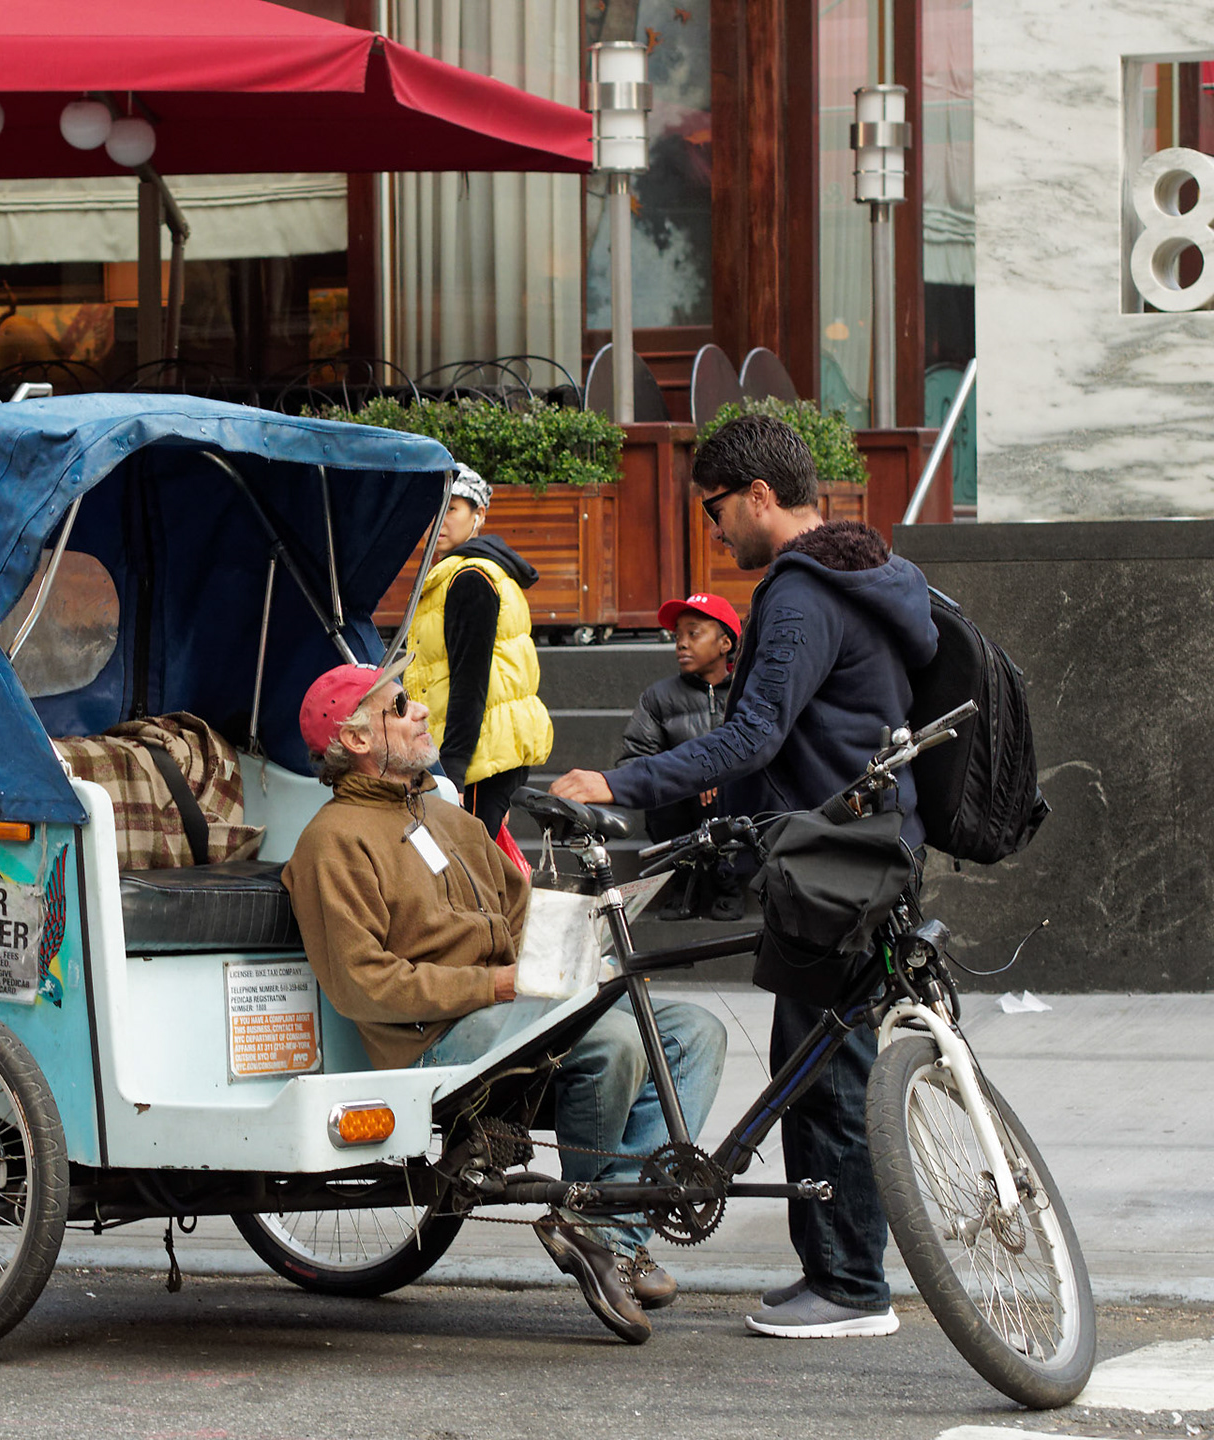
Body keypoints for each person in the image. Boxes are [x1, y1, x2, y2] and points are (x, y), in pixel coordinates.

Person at [550, 413, 938, 1339]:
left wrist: (618, 779)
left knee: (826, 1071)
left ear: (761, 497)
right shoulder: (873, 574)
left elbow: (756, 732)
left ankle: (848, 1285)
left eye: (719, 510)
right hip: (869, 845)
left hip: (834, 863)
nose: (716, 531)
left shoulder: (802, 593)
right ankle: (841, 1273)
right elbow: (817, 732)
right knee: (821, 1058)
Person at [281, 659, 725, 1345]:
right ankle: (590, 1212)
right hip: (437, 1034)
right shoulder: (329, 843)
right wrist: (492, 984)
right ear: (358, 740)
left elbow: (518, 911)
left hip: (517, 1005)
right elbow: (361, 982)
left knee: (694, 1029)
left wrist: (578, 949)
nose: (422, 710)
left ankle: (609, 1227)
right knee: (612, 1044)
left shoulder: (440, 813)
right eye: (400, 705)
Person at [404, 465, 553, 839]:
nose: (439, 521)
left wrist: (451, 772)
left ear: (479, 514)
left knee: (466, 874)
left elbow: (470, 682)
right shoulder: (462, 573)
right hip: (482, 752)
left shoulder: (470, 578)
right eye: (433, 510)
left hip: (475, 758)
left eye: (451, 509)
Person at [619, 592, 744, 922]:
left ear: (725, 644)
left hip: (733, 805)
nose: (681, 644)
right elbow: (632, 759)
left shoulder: (748, 692)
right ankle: (683, 881)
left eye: (694, 633)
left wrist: (720, 774)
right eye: (677, 636)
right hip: (681, 808)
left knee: (735, 789)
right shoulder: (659, 697)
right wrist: (687, 776)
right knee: (666, 791)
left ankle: (728, 879)